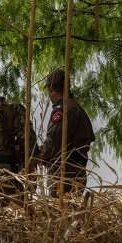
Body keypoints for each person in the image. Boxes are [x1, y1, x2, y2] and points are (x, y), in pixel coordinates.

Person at [35, 68, 95, 196]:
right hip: (77, 172)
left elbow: (53, 143)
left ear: (52, 90)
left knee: (58, 213)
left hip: (64, 173)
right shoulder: (77, 108)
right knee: (72, 213)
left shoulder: (63, 110)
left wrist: (37, 156)